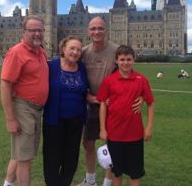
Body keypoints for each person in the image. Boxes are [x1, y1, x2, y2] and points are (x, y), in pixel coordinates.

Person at [79, 16, 143, 186]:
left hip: (113, 106)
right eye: (93, 28)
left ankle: (108, 182)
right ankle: (90, 180)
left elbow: (129, 73)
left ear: (106, 30)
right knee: (88, 143)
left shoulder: (115, 50)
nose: (97, 32)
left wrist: (140, 97)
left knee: (112, 144)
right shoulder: (84, 52)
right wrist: (89, 97)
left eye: (100, 28)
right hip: (92, 104)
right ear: (88, 31)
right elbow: (76, 76)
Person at [0, 15, 48, 186]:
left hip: (36, 110)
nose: (37, 33)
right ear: (23, 32)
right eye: (32, 30)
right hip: (23, 108)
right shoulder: (16, 52)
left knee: (22, 154)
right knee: (24, 159)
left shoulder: (40, 51)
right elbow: (5, 85)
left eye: (40, 30)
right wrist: (10, 119)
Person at [98, 45, 155, 186]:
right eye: (122, 59)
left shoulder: (141, 80)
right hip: (114, 135)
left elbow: (151, 103)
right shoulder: (109, 81)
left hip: (135, 135)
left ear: (133, 60)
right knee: (117, 173)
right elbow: (103, 104)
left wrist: (148, 127)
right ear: (116, 61)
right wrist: (103, 129)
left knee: (134, 174)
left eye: (129, 59)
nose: (125, 63)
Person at [43, 36, 88, 186]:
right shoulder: (51, 66)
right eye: (72, 48)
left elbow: (86, 90)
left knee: (71, 159)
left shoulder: (81, 67)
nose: (75, 52)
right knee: (52, 158)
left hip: (76, 120)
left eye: (78, 50)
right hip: (54, 120)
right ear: (63, 49)